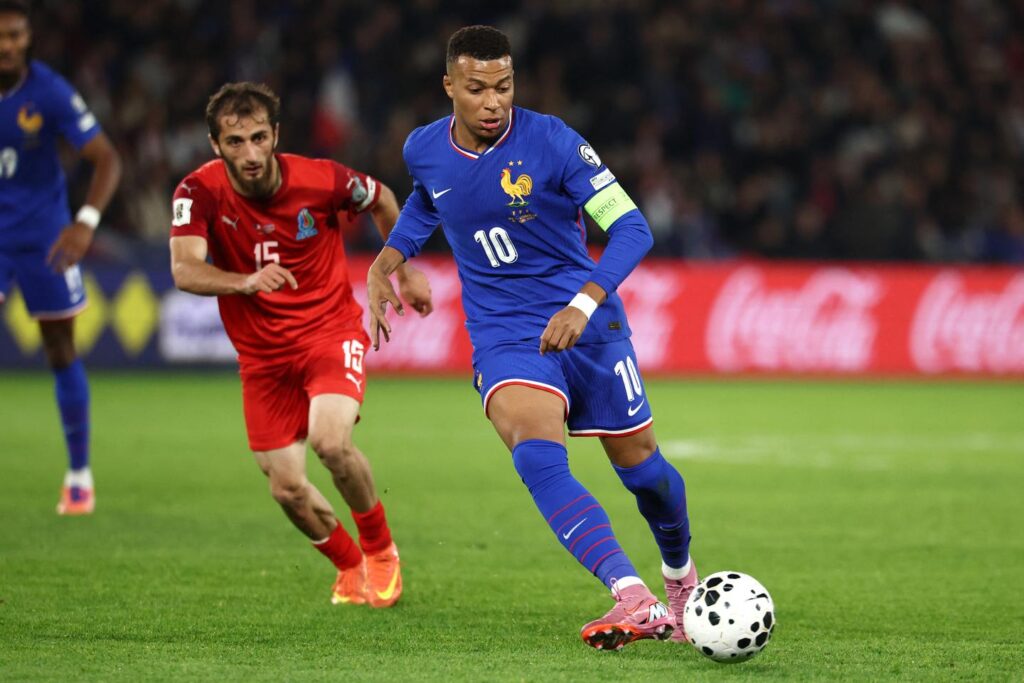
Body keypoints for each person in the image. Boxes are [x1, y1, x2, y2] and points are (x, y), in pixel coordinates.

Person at [367, 25, 698, 650]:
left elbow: (632, 228)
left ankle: (680, 581)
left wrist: (583, 303)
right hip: (506, 334)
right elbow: (428, 201)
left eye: (504, 86)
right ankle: (632, 594)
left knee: (647, 476)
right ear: (448, 86)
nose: (493, 102)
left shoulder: (554, 142)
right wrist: (390, 258)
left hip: (589, 325)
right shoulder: (423, 148)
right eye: (477, 89)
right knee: (535, 452)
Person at [169, 82, 432, 607]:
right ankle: (350, 564)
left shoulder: (321, 179)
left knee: (330, 442)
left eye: (258, 138)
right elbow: (185, 269)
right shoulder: (196, 192)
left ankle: (380, 550)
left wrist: (401, 270)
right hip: (262, 358)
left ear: (275, 135)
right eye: (235, 141)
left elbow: (382, 198)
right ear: (215, 144)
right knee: (286, 488)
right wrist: (244, 281)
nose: (250, 153)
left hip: (327, 332)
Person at [0, 0, 121, 515]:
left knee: (59, 348)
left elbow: (106, 158)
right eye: (0, 36)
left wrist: (85, 223)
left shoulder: (48, 92)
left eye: (15, 35)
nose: (7, 45)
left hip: (43, 237)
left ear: (27, 38)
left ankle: (79, 476)